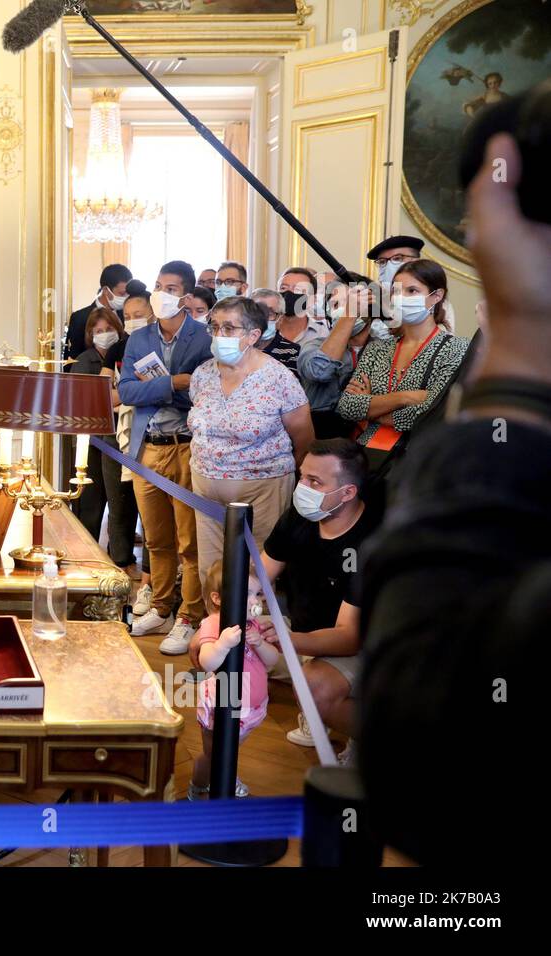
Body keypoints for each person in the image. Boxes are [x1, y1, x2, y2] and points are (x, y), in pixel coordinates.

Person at [358, 127, 544, 863]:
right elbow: (355, 399)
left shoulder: (463, 355)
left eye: (408, 284)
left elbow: (422, 773)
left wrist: (519, 348)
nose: (395, 294)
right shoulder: (378, 342)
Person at [256, 438, 380, 762]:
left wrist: (288, 641)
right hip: (301, 634)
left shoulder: (371, 543)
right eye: (302, 477)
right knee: (214, 642)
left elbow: (349, 636)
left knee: (315, 688)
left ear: (348, 492)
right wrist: (235, 610)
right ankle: (316, 715)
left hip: (361, 648)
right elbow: (256, 576)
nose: (302, 488)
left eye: (314, 481)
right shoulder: (300, 517)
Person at [188, 295, 313, 593]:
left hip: (263, 485)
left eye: (229, 328)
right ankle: (215, 633)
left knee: (257, 570)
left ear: (253, 335)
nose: (220, 335)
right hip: (206, 483)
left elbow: (304, 437)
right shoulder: (203, 373)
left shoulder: (278, 378)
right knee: (211, 569)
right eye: (215, 327)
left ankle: (254, 635)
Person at [118, 260, 212, 653]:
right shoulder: (140, 339)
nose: (161, 294)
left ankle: (190, 616)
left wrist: (158, 386)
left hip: (187, 446)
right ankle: (161, 606)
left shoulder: (204, 338)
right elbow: (126, 393)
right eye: (158, 285)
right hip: (148, 446)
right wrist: (173, 382)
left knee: (189, 542)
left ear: (187, 297)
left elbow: (204, 392)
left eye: (170, 288)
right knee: (156, 539)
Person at [336, 259, 470, 467]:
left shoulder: (456, 349)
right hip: (368, 458)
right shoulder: (378, 349)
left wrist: (372, 408)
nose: (401, 298)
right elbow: (348, 407)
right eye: (397, 291)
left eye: (412, 291)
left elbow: (432, 415)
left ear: (436, 296)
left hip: (421, 460)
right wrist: (406, 397)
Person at [189, 560, 278, 800]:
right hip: (223, 705)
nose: (255, 601)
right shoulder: (215, 623)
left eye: (258, 594)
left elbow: (272, 660)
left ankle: (225, 774)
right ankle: (198, 787)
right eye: (246, 593)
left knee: (229, 751)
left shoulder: (254, 625)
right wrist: (223, 644)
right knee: (213, 754)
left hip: (250, 709)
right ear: (218, 598)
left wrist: (260, 643)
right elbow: (207, 661)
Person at [99, 285, 151, 584]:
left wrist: (130, 392)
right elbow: (104, 395)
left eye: (138, 315)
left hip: (149, 433)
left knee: (150, 508)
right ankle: (120, 559)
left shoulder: (156, 347)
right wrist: (138, 391)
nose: (132, 320)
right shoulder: (118, 349)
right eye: (127, 315)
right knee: (118, 501)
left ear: (151, 315)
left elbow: (166, 390)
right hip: (115, 433)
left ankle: (151, 572)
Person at [297, 274, 384, 439]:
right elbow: (319, 371)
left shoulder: (385, 350)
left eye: (351, 304)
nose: (342, 310)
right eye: (336, 304)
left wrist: (370, 402)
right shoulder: (313, 346)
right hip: (321, 441)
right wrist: (350, 315)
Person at [69, 307, 124, 539]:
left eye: (109, 329)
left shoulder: (125, 355)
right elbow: (82, 402)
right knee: (91, 501)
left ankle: (119, 554)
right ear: (91, 334)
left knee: (119, 500)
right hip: (91, 440)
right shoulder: (84, 361)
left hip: (119, 436)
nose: (104, 334)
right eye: (98, 330)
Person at [66, 263, 131, 360]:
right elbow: (72, 360)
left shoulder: (127, 315)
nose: (126, 297)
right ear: (106, 290)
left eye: (128, 293)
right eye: (122, 294)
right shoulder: (80, 318)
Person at [252, 288, 300, 372]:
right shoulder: (238, 347)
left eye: (270, 313)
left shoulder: (292, 352)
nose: (263, 318)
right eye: (257, 312)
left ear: (280, 319)